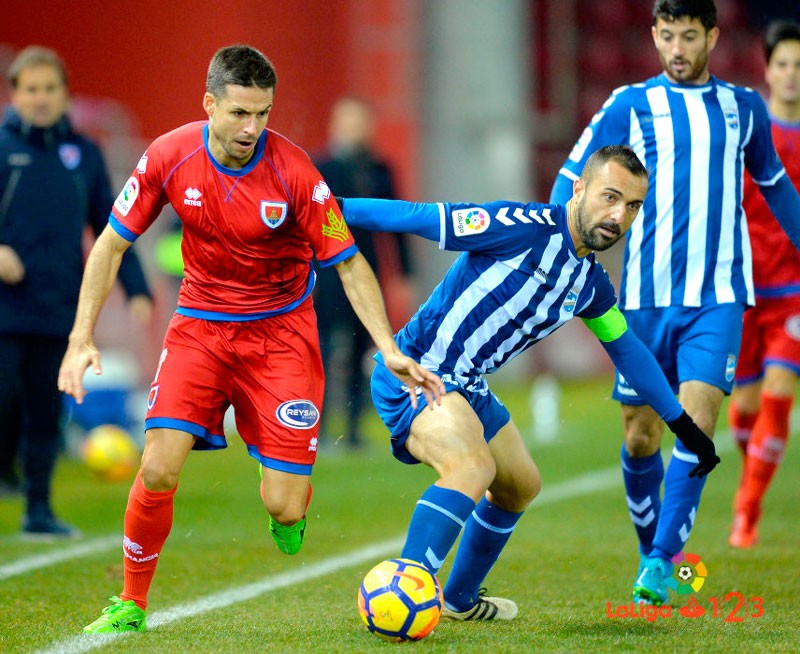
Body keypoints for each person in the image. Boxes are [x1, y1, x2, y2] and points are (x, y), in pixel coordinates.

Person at [57, 44, 443, 634]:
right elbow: (111, 243)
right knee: (158, 466)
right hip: (200, 329)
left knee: (282, 503)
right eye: (240, 113)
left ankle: (289, 510)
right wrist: (81, 335)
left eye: (263, 113)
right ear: (209, 103)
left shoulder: (296, 173)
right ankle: (130, 603)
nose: (252, 127)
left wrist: (388, 347)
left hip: (282, 337)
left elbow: (348, 262)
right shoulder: (167, 154)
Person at [340, 145, 719, 621]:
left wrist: (683, 426)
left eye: (633, 206)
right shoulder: (519, 225)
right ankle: (406, 591)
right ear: (579, 188)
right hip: (418, 370)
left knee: (520, 485)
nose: (618, 216)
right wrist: (334, 209)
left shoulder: (590, 284)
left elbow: (629, 353)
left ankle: (458, 600)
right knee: (472, 468)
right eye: (610, 197)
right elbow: (419, 217)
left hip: (469, 385)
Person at [550, 0, 800, 606]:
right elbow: (571, 179)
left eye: (689, 36)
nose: (678, 50)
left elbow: (776, 188)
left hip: (717, 296)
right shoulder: (629, 105)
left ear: (712, 36)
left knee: (696, 422)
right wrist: (557, 242)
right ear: (655, 36)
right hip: (641, 300)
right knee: (640, 436)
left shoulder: (745, 109)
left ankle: (662, 561)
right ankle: (650, 546)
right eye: (667, 37)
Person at [0, 46, 152, 537]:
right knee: (4, 400)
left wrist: (137, 289)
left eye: (50, 89)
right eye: (31, 89)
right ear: (15, 94)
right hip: (4, 309)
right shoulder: (2, 148)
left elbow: (110, 227)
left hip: (59, 307)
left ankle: (38, 510)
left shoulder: (83, 154)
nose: (40, 98)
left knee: (46, 409)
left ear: (65, 94)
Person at [728, 20, 800, 549]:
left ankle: (746, 513)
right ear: (768, 69)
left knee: (779, 393)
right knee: (745, 406)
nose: (792, 75)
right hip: (745, 290)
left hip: (792, 292)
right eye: (784, 65)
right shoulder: (749, 132)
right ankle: (750, 477)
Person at [313, 96, 413, 448]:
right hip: (324, 275)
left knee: (360, 351)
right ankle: (316, 431)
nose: (355, 128)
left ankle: (353, 431)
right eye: (348, 121)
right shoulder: (318, 166)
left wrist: (403, 274)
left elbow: (398, 223)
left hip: (366, 273)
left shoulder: (379, 170)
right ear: (336, 125)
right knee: (321, 353)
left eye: (360, 121)